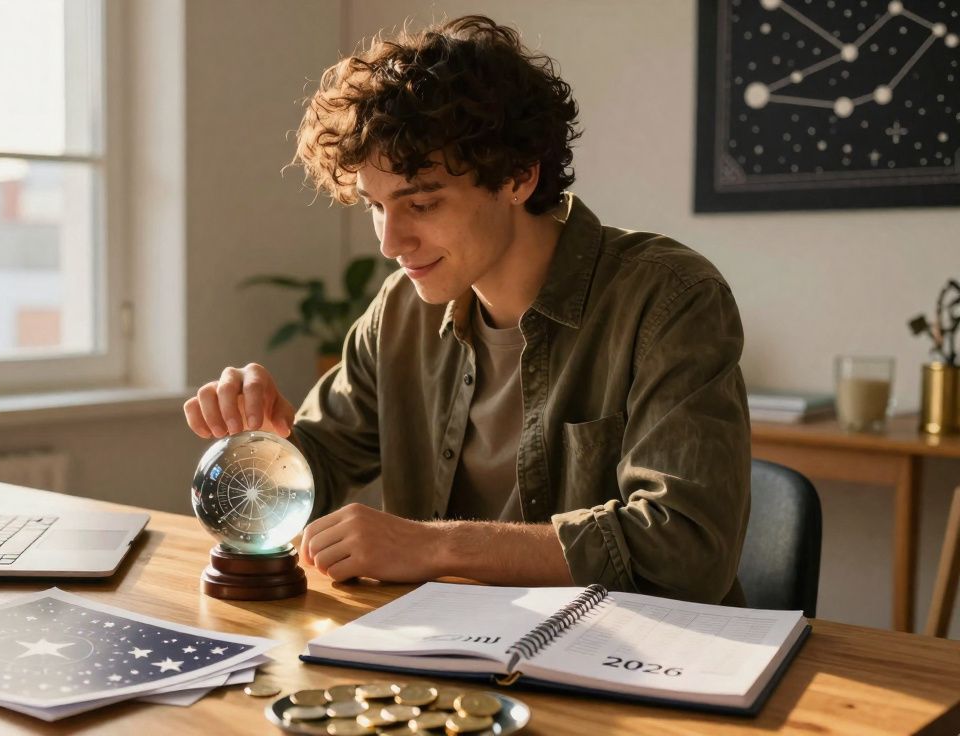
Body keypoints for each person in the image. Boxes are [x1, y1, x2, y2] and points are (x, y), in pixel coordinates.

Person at [183, 15, 750, 605]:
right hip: (454, 658)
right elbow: (317, 471)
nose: (389, 242)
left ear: (519, 177)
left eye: (422, 203)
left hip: (641, 660)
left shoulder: (670, 298)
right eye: (375, 207)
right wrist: (266, 446)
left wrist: (437, 547)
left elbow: (686, 550)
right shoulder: (399, 312)